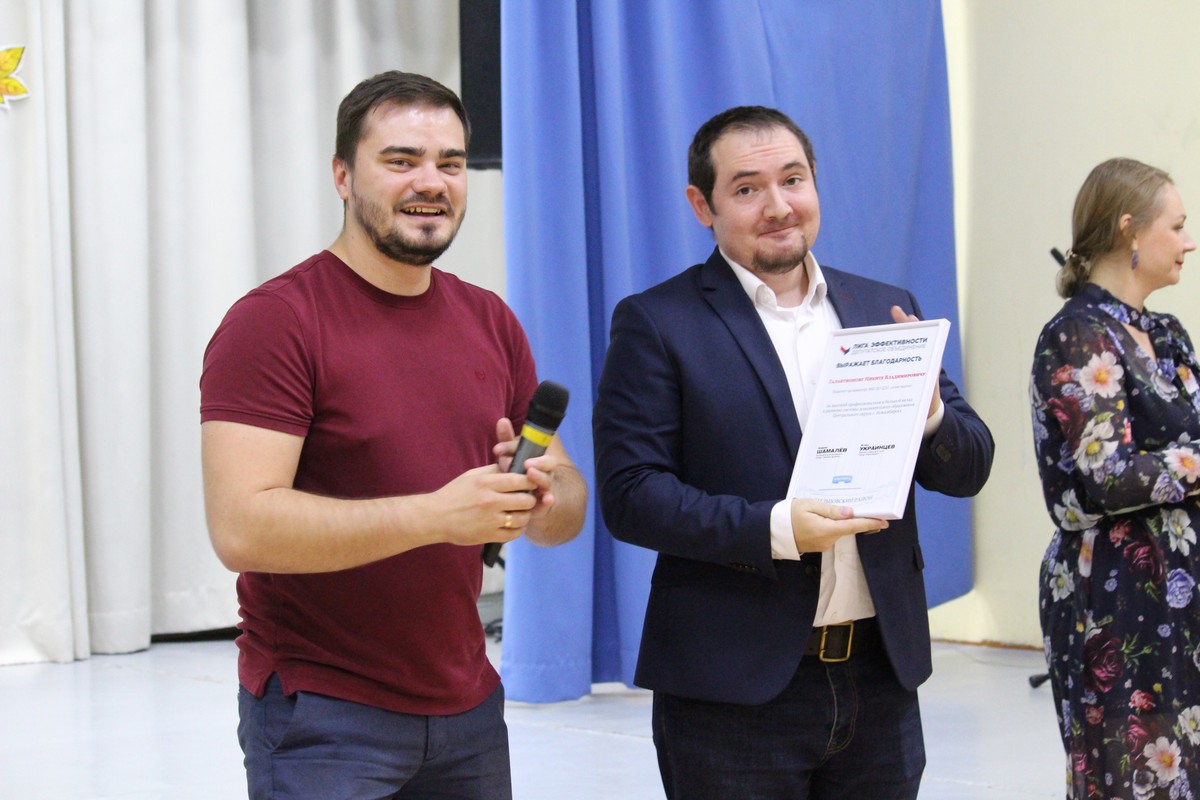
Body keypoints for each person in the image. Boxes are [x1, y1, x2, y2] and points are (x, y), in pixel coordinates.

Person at [199, 71, 586, 800]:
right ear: (343, 177)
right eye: (401, 160)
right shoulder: (275, 322)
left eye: (450, 163)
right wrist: (437, 516)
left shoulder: (489, 319)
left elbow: (563, 513)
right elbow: (241, 529)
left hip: (469, 709)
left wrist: (544, 494)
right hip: (324, 714)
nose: (431, 182)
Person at [592, 105, 994, 799]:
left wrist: (930, 415)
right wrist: (777, 529)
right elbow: (632, 496)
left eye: (793, 179)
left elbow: (969, 467)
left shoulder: (882, 307)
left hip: (881, 675)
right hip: (731, 688)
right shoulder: (658, 322)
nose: (778, 206)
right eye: (747, 188)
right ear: (703, 205)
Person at [1030, 158, 1200, 799]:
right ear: (1129, 229)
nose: (1188, 241)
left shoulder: (1166, 333)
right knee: (1129, 781)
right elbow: (1109, 479)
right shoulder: (1077, 335)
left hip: (1181, 593)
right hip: (1115, 598)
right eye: (1177, 226)